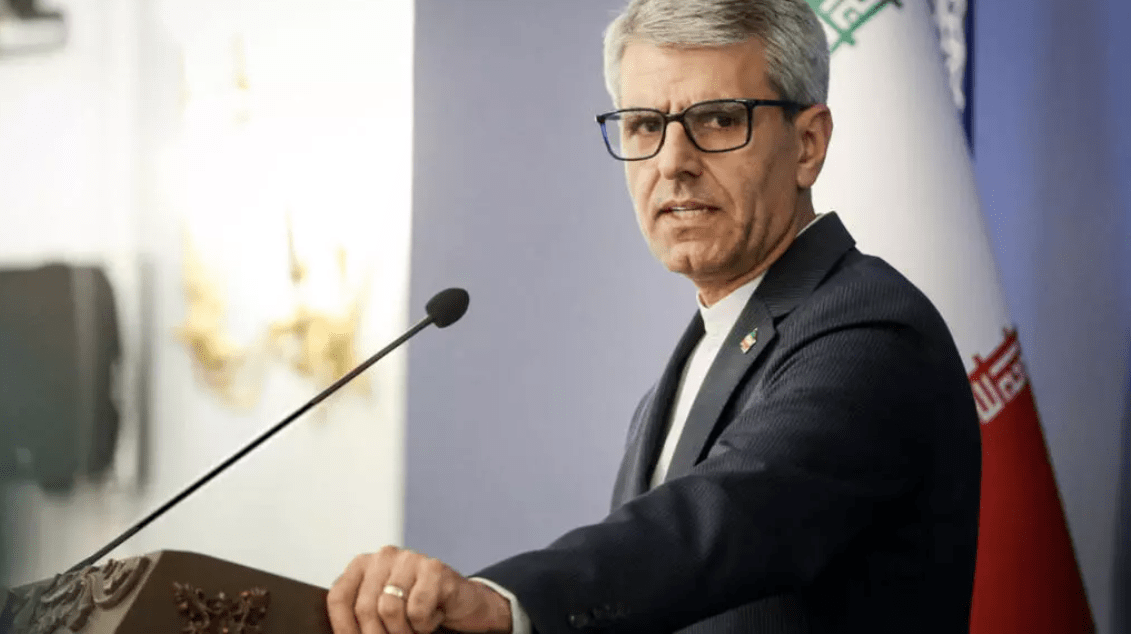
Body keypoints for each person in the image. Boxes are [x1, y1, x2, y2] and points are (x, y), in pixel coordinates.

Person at [326, 0, 982, 632]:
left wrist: (506, 602)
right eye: (644, 124)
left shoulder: (872, 333)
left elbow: (728, 517)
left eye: (718, 119)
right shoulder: (693, 362)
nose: (672, 163)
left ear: (807, 144)